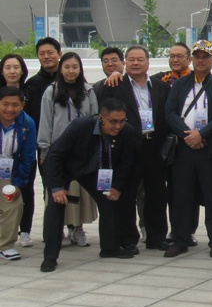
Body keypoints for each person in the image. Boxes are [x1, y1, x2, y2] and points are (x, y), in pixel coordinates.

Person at [40, 98, 138, 271]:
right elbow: (54, 156)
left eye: (122, 121)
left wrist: (117, 187)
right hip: (67, 168)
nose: (118, 126)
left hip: (95, 172)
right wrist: (56, 187)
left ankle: (109, 247)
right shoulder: (80, 126)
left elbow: (126, 162)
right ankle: (50, 256)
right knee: (56, 206)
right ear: (102, 117)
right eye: (113, 121)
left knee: (110, 200)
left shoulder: (127, 132)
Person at [164, 41, 212, 258]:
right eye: (197, 56)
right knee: (182, 196)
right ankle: (181, 239)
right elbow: (170, 112)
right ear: (191, 59)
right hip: (185, 149)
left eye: (206, 56)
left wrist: (202, 134)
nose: (201, 60)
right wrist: (188, 135)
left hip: (210, 149)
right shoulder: (181, 85)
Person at [97, 45, 170, 253]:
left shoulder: (160, 87)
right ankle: (128, 238)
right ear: (125, 63)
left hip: (153, 146)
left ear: (148, 63)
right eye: (131, 59)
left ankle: (157, 237)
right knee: (127, 194)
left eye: (140, 59)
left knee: (156, 194)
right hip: (127, 147)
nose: (136, 63)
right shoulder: (114, 85)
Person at [38, 52, 99, 248]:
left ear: (80, 69)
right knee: (57, 194)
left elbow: (96, 120)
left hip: (82, 152)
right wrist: (44, 150)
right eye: (67, 67)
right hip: (58, 151)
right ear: (60, 69)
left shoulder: (88, 91)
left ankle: (77, 229)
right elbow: (46, 121)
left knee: (80, 194)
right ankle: (55, 234)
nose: (71, 71)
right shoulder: (52, 91)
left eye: (75, 67)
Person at [21, 37, 61, 248]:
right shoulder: (33, 85)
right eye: (42, 54)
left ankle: (74, 226)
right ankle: (52, 230)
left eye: (50, 52)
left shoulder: (69, 79)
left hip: (68, 143)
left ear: (59, 54)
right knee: (49, 187)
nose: (46, 57)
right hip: (44, 144)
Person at [0, 87, 36, 261]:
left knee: (13, 204)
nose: (9, 109)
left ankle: (5, 245)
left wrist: (18, 184)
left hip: (10, 172)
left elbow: (28, 157)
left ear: (22, 105)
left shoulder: (27, 124)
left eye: (15, 105)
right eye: (5, 104)